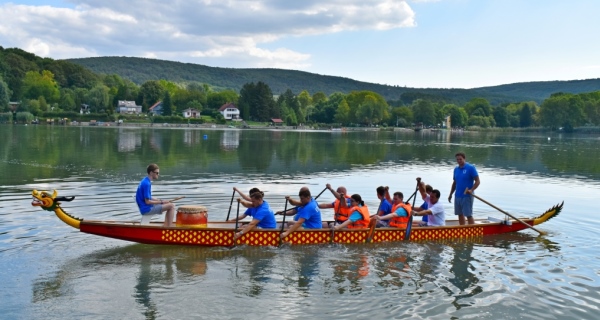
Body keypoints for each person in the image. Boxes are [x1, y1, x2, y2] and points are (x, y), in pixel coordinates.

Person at [448, 152, 480, 225]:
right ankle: (462, 229)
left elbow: (477, 181)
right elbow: (454, 183)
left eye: (460, 159)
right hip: (458, 195)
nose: (459, 161)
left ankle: (472, 230)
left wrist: (471, 190)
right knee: (460, 214)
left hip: (467, 195)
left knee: (468, 215)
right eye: (457, 159)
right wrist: (450, 194)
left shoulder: (471, 168)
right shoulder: (456, 169)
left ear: (464, 159)